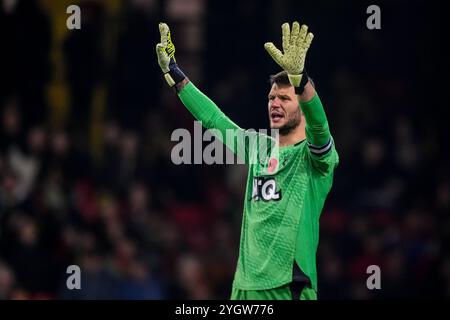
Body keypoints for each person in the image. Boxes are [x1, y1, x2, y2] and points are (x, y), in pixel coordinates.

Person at [156, 21, 338, 300]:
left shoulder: (315, 160)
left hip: (289, 287)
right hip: (244, 287)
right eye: (271, 97)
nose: (274, 103)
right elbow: (214, 118)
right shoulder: (257, 148)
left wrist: (301, 80)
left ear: (301, 104)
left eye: (284, 99)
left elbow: (319, 127)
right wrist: (176, 75)